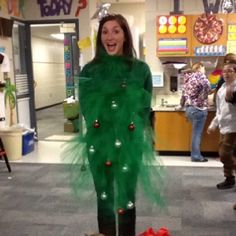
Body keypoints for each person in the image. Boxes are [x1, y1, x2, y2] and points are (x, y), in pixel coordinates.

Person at [64, 14, 164, 236]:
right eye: (105, 31)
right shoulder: (90, 70)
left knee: (127, 199)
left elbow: (144, 108)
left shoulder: (141, 70)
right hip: (99, 144)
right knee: (105, 198)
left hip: (130, 144)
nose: (110, 36)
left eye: (116, 31)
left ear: (125, 37)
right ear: (100, 38)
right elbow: (88, 109)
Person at [207, 63, 236, 190]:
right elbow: (219, 110)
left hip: (234, 127)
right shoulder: (222, 88)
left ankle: (230, 177)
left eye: (229, 71)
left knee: (225, 154)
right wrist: (213, 125)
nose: (226, 74)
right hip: (224, 127)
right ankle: (229, 178)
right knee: (225, 154)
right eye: (224, 72)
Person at [180, 62, 211, 162]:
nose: (205, 70)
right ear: (200, 67)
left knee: (195, 133)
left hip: (189, 109)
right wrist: (203, 101)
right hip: (199, 109)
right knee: (197, 134)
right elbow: (206, 91)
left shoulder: (187, 78)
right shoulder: (202, 77)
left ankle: (195, 154)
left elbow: (183, 94)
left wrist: (181, 105)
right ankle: (196, 156)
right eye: (204, 68)